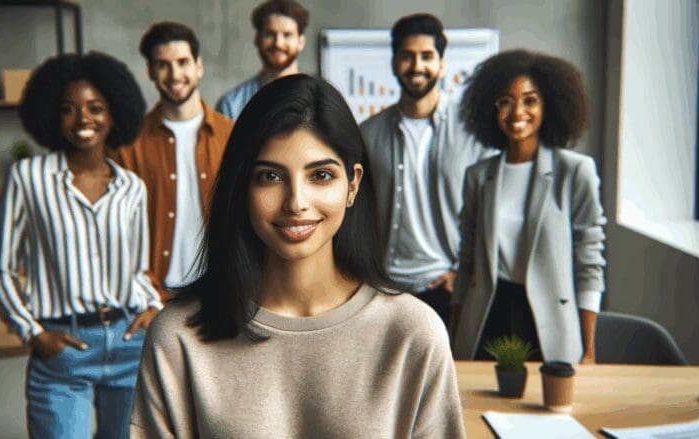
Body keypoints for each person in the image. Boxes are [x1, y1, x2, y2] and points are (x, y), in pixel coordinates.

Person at [131, 74, 465, 438]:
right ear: (242, 186)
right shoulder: (178, 337)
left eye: (320, 175)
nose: (296, 202)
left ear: (352, 185)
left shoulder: (412, 334)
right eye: (270, 177)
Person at [0, 52, 163, 438]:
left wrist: (153, 306)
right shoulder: (27, 179)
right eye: (69, 109)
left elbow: (135, 272)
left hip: (127, 344)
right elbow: (1, 270)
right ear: (52, 115)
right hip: (62, 351)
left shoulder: (132, 188)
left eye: (95, 108)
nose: (83, 119)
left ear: (115, 114)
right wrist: (33, 332)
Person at [452, 49, 606, 365]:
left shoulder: (575, 172)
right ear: (491, 108)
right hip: (486, 316)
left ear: (549, 105)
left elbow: (589, 262)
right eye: (505, 101)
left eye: (530, 100)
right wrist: (455, 337)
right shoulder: (478, 176)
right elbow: (466, 263)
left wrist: (588, 349)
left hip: (549, 321)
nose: (517, 111)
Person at [360, 13, 494, 327]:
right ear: (394, 63)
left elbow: (491, 207)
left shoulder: (472, 131)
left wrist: (463, 271)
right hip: (386, 289)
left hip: (449, 289)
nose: (417, 66)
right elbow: (356, 213)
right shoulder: (367, 134)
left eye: (427, 56)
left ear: (442, 64)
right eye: (407, 56)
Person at [109, 22, 233, 298]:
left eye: (182, 62)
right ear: (150, 71)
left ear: (198, 66)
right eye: (163, 65)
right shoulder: (127, 145)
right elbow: (114, 230)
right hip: (152, 297)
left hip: (220, 292)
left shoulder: (232, 136)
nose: (175, 74)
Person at [215, 0, 309, 120]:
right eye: (270, 34)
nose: (278, 43)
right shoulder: (231, 105)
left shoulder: (321, 99)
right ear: (257, 39)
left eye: (287, 35)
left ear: (301, 42)